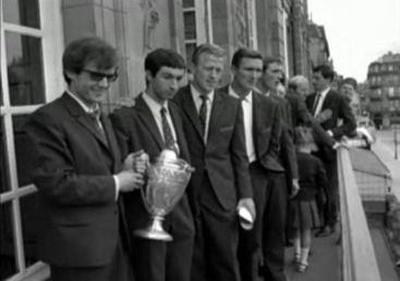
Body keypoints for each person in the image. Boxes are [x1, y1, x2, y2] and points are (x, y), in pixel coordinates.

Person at [24, 37, 144, 281]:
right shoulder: (46, 119)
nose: (104, 84)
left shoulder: (101, 115)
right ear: (70, 72)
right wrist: (118, 182)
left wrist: (125, 166)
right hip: (78, 252)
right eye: (96, 76)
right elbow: (56, 185)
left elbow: (99, 168)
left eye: (110, 77)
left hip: (113, 244)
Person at [110, 48, 195, 281]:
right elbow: (118, 167)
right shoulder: (125, 116)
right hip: (146, 216)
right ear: (148, 75)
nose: (174, 85)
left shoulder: (175, 111)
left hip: (182, 214)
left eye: (179, 78)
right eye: (167, 77)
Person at [173, 43, 255, 281]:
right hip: (185, 194)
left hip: (222, 196)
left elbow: (239, 155)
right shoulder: (174, 102)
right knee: (191, 263)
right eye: (208, 69)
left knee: (225, 261)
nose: (214, 76)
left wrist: (246, 195)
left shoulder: (231, 105)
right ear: (192, 68)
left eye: (219, 71)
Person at [221, 48, 286, 281]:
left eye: (259, 70)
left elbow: (275, 143)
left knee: (267, 236)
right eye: (249, 69)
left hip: (259, 173)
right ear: (234, 70)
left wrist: (264, 172)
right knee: (239, 239)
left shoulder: (270, 105)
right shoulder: (217, 100)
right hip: (225, 176)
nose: (255, 75)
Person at [254, 57, 298, 281]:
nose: (279, 76)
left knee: (275, 230)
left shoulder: (281, 103)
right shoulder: (238, 99)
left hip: (274, 173)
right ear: (261, 73)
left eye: (281, 72)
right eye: (274, 71)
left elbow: (287, 141)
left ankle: (276, 275)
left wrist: (294, 176)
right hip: (248, 174)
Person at [306, 64, 356, 237]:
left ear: (328, 79)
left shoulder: (337, 99)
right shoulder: (309, 98)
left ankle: (330, 223)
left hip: (328, 151)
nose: (313, 81)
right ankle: (317, 221)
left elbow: (351, 124)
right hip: (310, 150)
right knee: (315, 189)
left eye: (317, 78)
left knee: (329, 189)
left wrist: (332, 133)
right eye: (313, 78)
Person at [290, 126, 327, 273]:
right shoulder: (316, 162)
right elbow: (323, 182)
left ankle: (296, 254)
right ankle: (304, 261)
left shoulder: (291, 159)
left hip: (293, 199)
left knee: (295, 229)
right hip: (309, 199)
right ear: (310, 144)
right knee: (306, 231)